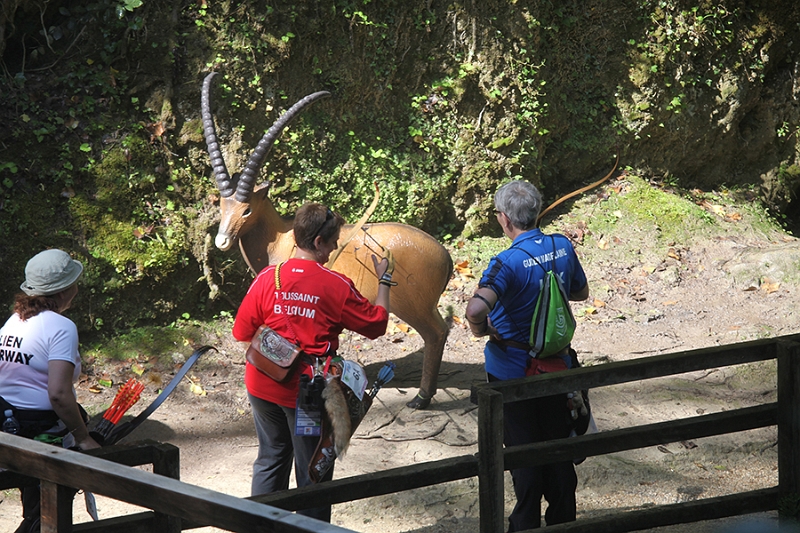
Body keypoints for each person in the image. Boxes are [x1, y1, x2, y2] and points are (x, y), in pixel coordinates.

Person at [232, 202, 393, 522]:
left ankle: (260, 527)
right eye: (332, 243)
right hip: (305, 394)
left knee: (271, 458)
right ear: (318, 242)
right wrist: (384, 280)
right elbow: (376, 324)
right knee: (313, 470)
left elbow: (241, 332)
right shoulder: (335, 285)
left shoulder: (268, 276)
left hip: (261, 383)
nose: (333, 250)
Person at [465, 180, 590, 531]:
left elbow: (475, 309)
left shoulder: (506, 263)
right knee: (559, 453)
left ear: (504, 219)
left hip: (512, 373)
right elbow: (581, 292)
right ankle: (563, 523)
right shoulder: (561, 245)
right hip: (558, 368)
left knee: (524, 458)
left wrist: (482, 329)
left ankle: (524, 526)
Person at [0, 249, 101, 533]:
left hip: (8, 424)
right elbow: (58, 393)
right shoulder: (61, 327)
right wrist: (83, 437)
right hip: (40, 430)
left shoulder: (15, 320)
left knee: (36, 509)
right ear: (65, 290)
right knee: (48, 514)